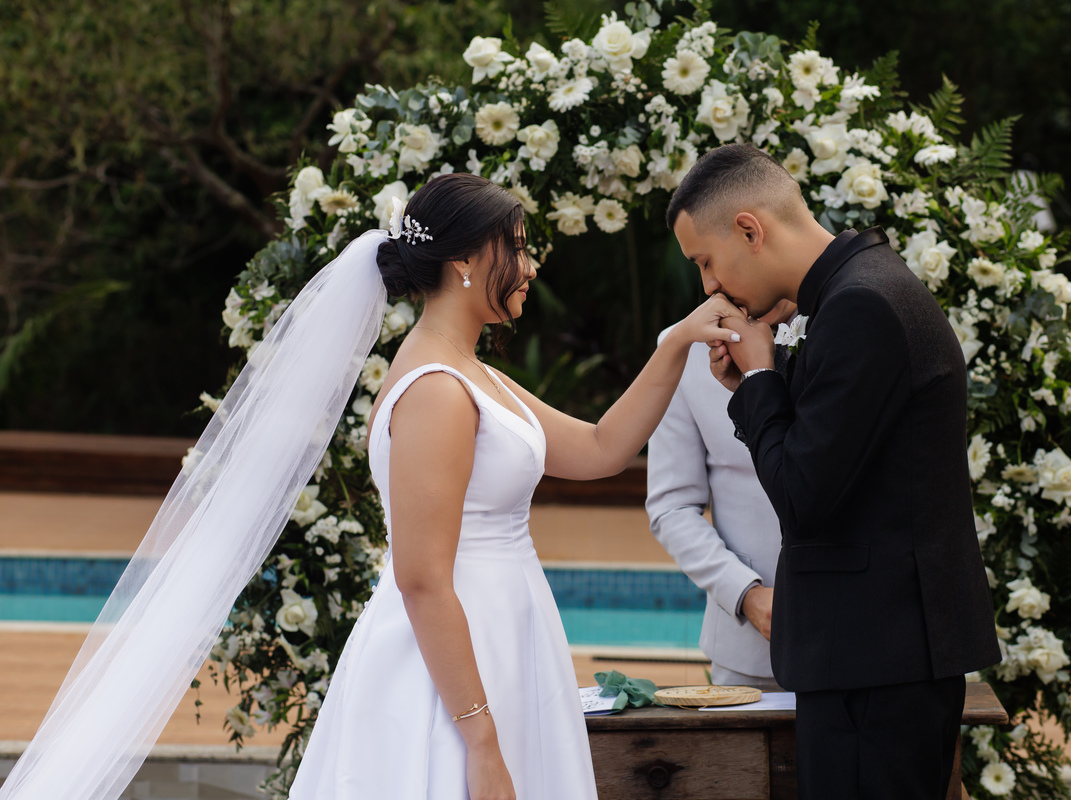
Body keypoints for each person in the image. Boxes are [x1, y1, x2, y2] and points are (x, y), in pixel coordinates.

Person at [0, 173, 743, 800]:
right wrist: (482, 742)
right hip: (450, 671)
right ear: (463, 262)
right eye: (514, 247)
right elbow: (422, 579)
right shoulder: (437, 391)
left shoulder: (474, 373)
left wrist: (677, 341)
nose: (530, 266)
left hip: (507, 635)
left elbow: (599, 447)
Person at [667, 144, 1001, 800]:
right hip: (882, 657)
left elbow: (803, 495)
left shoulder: (861, 307)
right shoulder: (865, 288)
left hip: (872, 664)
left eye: (706, 262)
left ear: (749, 229)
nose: (708, 285)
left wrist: (760, 379)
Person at [645, 300, 797, 692]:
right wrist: (746, 593)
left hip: (860, 638)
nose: (709, 284)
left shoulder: (848, 322)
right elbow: (671, 506)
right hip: (748, 650)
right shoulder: (682, 347)